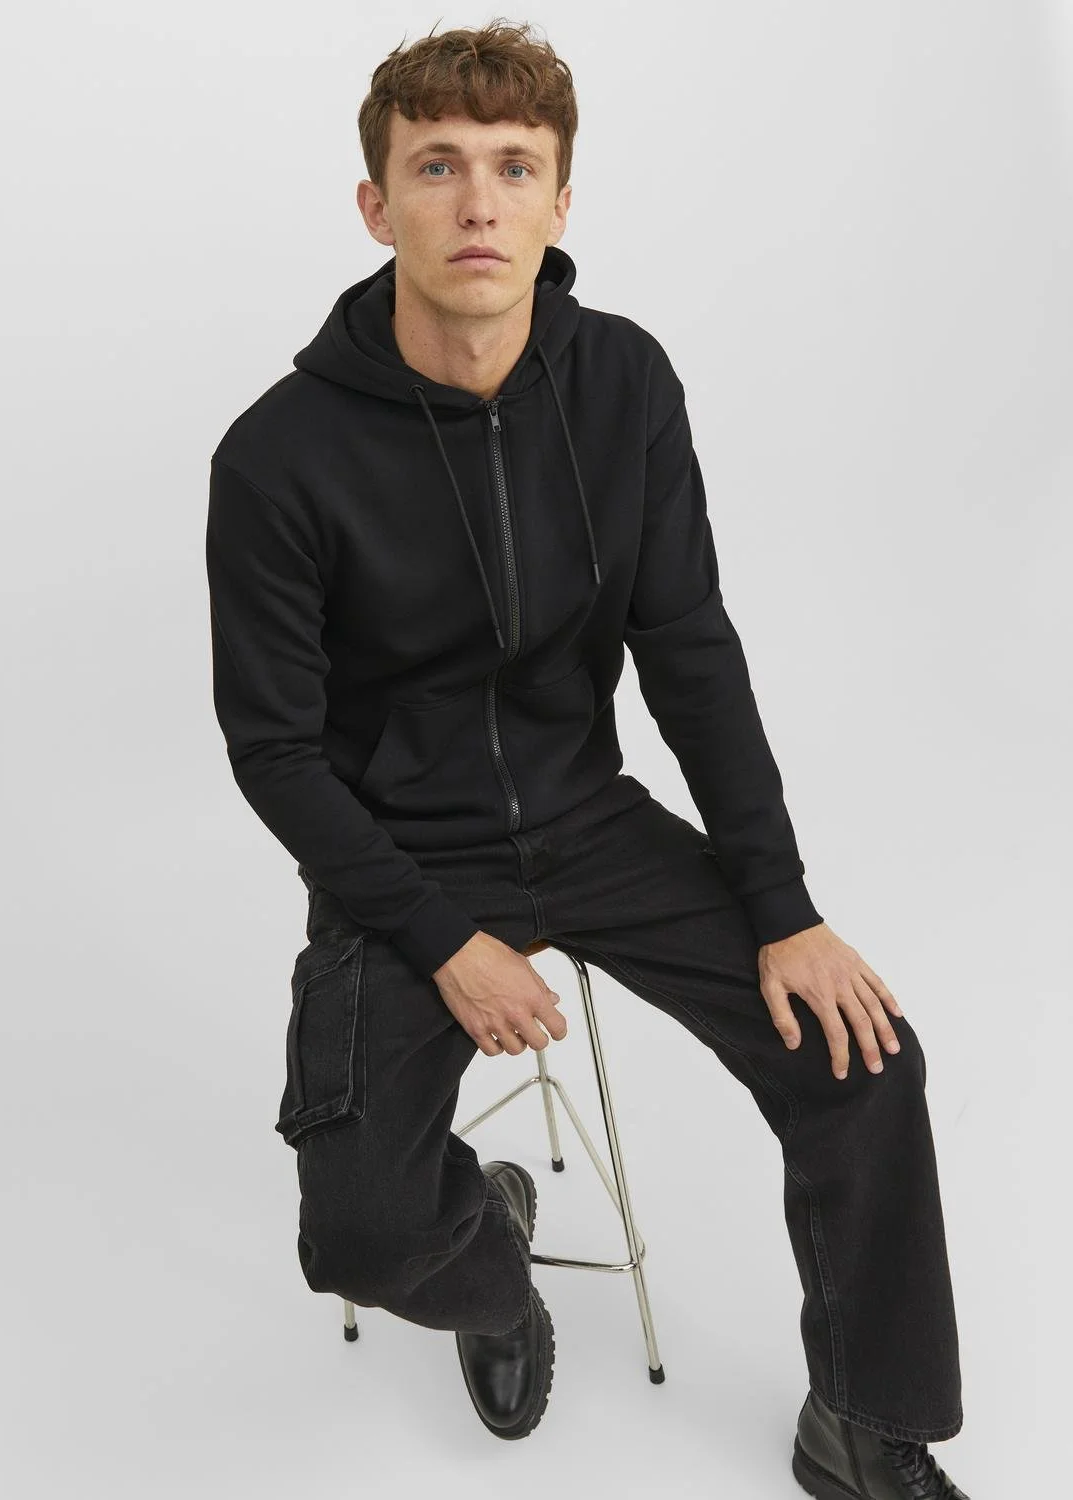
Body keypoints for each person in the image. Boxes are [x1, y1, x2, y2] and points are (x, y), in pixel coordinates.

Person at [204, 19, 970, 1498]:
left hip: (589, 818)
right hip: (399, 859)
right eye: (437, 166)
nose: (477, 203)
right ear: (376, 205)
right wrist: (445, 942)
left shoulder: (624, 382)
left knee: (866, 1061)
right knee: (359, 1237)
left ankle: (865, 1423)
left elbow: (688, 649)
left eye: (513, 167)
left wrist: (784, 905)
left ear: (562, 203)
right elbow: (275, 752)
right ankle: (493, 1266)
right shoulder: (277, 455)